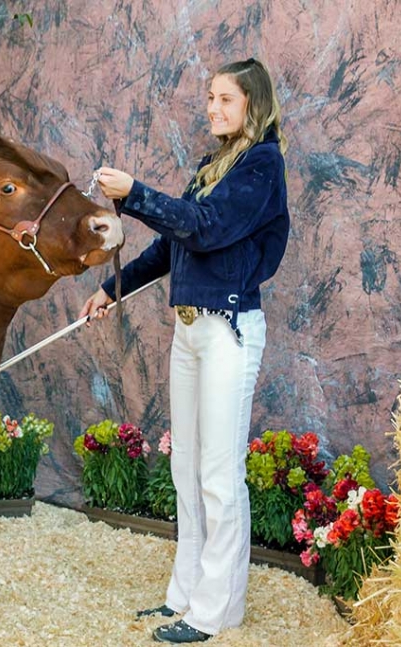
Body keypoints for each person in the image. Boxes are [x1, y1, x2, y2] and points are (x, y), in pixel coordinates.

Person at [79, 58, 289, 644]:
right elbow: (175, 247)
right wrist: (110, 289)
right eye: (211, 99)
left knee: (220, 472)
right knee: (187, 467)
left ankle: (214, 611)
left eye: (226, 100)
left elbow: (205, 228)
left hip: (228, 330)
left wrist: (136, 194)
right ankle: (186, 593)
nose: (214, 109)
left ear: (253, 104)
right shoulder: (211, 166)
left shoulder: (261, 166)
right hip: (190, 331)